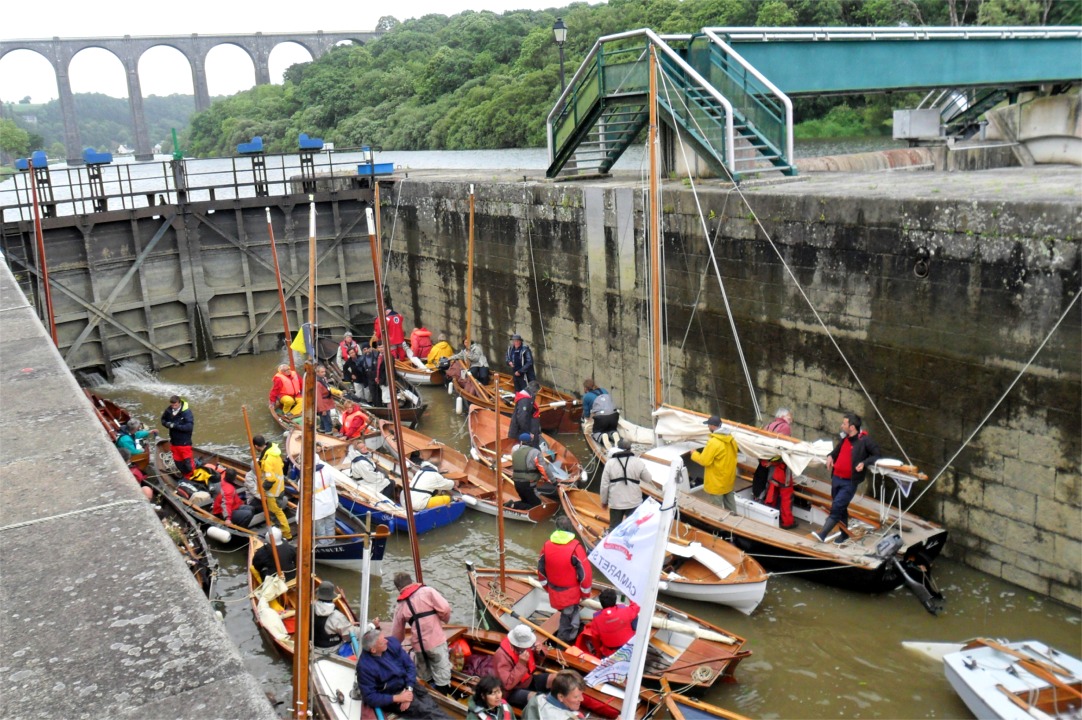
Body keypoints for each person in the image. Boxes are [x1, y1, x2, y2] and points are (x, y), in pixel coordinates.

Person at [813, 413, 881, 544]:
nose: (841, 425)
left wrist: (865, 463)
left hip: (849, 482)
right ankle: (844, 535)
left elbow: (877, 455)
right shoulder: (845, 438)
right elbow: (836, 451)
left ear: (852, 427)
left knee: (836, 507)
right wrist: (830, 456)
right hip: (837, 479)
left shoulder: (865, 441)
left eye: (844, 423)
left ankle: (822, 534)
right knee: (841, 508)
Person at [356, 623, 449, 718]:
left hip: (407, 684)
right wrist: (398, 698)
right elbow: (370, 697)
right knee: (426, 712)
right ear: (373, 650)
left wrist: (409, 690)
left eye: (384, 638)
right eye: (382, 641)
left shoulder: (391, 644)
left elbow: (409, 666)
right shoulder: (365, 668)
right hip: (392, 694)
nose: (386, 641)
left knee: (431, 705)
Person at [389, 571, 454, 694]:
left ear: (398, 588)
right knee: (442, 675)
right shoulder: (428, 591)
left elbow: (397, 635)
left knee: (424, 677)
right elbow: (445, 609)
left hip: (418, 647)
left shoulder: (400, 606)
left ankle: (428, 696)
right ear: (411, 581)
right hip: (435, 642)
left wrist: (392, 651)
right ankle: (444, 696)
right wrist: (443, 620)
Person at [537, 516, 591, 644]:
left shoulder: (547, 545)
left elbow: (541, 569)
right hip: (570, 594)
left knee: (565, 612)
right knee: (569, 618)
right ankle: (564, 641)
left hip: (554, 591)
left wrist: (546, 587)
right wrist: (585, 594)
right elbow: (585, 575)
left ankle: (566, 634)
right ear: (570, 529)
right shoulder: (575, 548)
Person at [491, 624, 553, 708]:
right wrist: (521, 664)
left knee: (557, 679)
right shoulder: (501, 655)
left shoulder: (527, 646)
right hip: (512, 691)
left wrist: (539, 652)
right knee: (538, 699)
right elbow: (507, 685)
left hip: (529, 680)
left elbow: (537, 663)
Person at [691, 415, 739, 514]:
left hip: (717, 482)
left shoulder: (713, 442)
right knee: (731, 507)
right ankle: (733, 524)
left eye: (708, 425)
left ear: (713, 426)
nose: (708, 427)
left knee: (716, 510)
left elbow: (704, 461)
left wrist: (694, 454)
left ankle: (718, 528)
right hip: (728, 480)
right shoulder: (731, 439)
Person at [599, 439, 650, 532]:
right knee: (634, 528)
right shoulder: (637, 462)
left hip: (616, 503)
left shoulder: (610, 463)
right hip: (634, 502)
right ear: (630, 448)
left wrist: (604, 501)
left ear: (618, 448)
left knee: (614, 529)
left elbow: (604, 485)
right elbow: (648, 479)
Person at [253, 434, 292, 540]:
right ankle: (277, 529)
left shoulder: (267, 459)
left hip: (273, 491)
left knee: (276, 511)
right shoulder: (274, 452)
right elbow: (282, 466)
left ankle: (286, 534)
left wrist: (263, 489)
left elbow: (270, 479)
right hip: (280, 487)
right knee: (275, 511)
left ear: (256, 446)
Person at [581, 589, 639, 658]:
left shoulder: (596, 618)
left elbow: (595, 638)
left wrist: (598, 652)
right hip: (628, 649)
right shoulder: (625, 610)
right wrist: (629, 593)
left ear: (601, 602)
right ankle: (637, 637)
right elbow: (636, 606)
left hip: (609, 653)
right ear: (615, 600)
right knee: (635, 616)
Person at [752, 407, 793, 500]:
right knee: (771, 485)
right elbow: (783, 448)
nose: (791, 420)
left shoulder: (769, 425)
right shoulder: (785, 427)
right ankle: (764, 502)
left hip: (763, 460)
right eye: (789, 418)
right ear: (783, 416)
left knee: (760, 482)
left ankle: (757, 498)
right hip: (774, 463)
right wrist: (775, 462)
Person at [313, 581, 358, 655]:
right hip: (332, 650)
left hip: (314, 647)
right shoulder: (337, 616)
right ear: (332, 596)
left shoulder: (310, 608)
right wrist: (371, 626)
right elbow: (350, 635)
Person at [522, 670, 587, 720]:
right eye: (576, 697)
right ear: (561, 697)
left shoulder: (535, 700)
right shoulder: (570, 718)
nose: (582, 699)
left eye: (581, 695)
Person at [509, 433, 547, 510]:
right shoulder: (535, 452)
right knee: (537, 506)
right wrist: (553, 481)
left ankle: (513, 504)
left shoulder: (515, 453)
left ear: (521, 442)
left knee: (526, 501)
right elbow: (543, 468)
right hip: (528, 484)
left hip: (517, 483)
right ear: (530, 442)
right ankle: (513, 505)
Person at [160, 395, 195, 478]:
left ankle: (192, 476)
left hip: (184, 443)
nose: (174, 407)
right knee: (178, 462)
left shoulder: (187, 413)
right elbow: (163, 420)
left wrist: (175, 426)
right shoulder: (168, 411)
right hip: (174, 442)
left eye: (175, 405)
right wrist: (166, 424)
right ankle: (184, 475)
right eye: (172, 405)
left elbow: (189, 427)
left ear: (179, 403)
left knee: (188, 463)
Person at [312, 460, 339, 546]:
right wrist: (336, 502)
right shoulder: (327, 471)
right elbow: (333, 487)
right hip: (330, 505)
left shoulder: (307, 476)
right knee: (330, 527)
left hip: (318, 509)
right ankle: (331, 542)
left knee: (321, 530)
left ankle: (323, 544)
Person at [507, 382, 541, 448]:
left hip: (528, 427)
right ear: (534, 391)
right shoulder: (525, 400)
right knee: (530, 446)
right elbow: (522, 418)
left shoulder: (527, 398)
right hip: (525, 430)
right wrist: (527, 433)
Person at [315, 365, 339, 434]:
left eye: (324, 372)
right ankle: (329, 433)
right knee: (327, 420)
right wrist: (322, 409)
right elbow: (318, 397)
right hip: (323, 404)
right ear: (317, 373)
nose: (324, 373)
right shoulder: (318, 383)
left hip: (326, 402)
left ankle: (322, 429)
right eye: (322, 372)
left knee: (323, 419)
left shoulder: (323, 379)